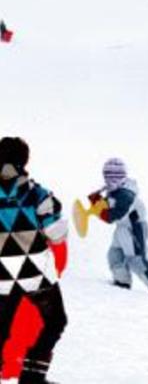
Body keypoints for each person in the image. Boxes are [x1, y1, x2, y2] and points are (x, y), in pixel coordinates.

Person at [0, 137, 69, 384]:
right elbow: (56, 233)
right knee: (56, 320)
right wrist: (57, 212)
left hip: (1, 279)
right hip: (35, 275)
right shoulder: (36, 193)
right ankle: (32, 377)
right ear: (24, 161)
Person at [90, 158, 148, 295]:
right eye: (107, 175)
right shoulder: (115, 191)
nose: (110, 179)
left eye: (115, 176)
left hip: (134, 228)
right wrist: (97, 201)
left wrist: (96, 205)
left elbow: (111, 216)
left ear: (122, 176)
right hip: (122, 228)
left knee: (135, 259)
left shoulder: (126, 194)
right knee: (114, 255)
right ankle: (122, 281)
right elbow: (107, 207)